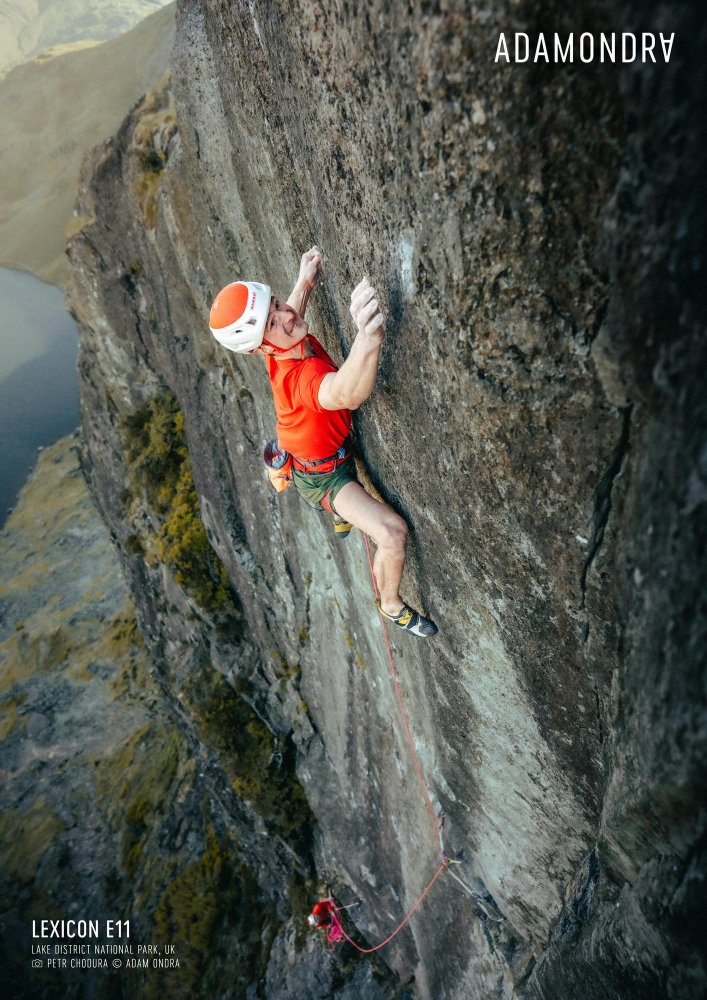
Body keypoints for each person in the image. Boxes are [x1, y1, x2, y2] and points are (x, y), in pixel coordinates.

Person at [209, 247, 437, 638]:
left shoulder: (279, 340)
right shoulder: (300, 379)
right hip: (326, 478)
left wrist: (304, 282)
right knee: (392, 533)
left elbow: (288, 315)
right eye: (272, 321)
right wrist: (369, 338)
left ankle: (340, 517)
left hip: (315, 455)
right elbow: (346, 392)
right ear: (259, 348)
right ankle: (391, 605)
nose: (287, 317)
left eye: (278, 304)